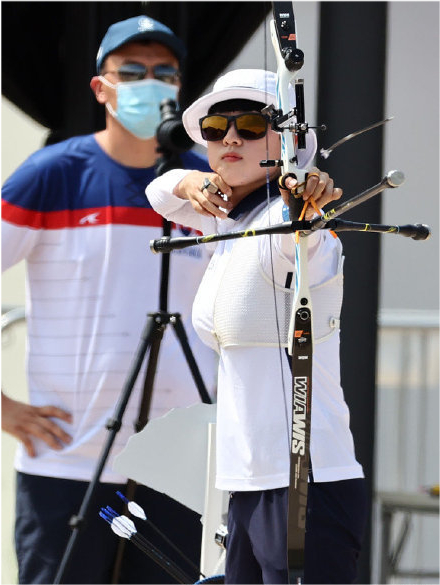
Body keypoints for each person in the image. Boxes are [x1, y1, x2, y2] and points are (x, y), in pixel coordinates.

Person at [1, 15, 217, 585]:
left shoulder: (209, 184)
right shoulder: (52, 173)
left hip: (183, 468)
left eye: (165, 72)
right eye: (133, 71)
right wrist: (3, 409)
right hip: (69, 465)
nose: (151, 83)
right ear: (101, 87)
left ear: (180, 88)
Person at [146, 68, 368, 584]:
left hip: (308, 485)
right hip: (246, 483)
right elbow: (159, 192)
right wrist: (189, 180)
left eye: (249, 125)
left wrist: (303, 199)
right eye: (215, 128)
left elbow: (304, 237)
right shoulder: (228, 220)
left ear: (288, 140)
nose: (229, 138)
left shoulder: (288, 225)